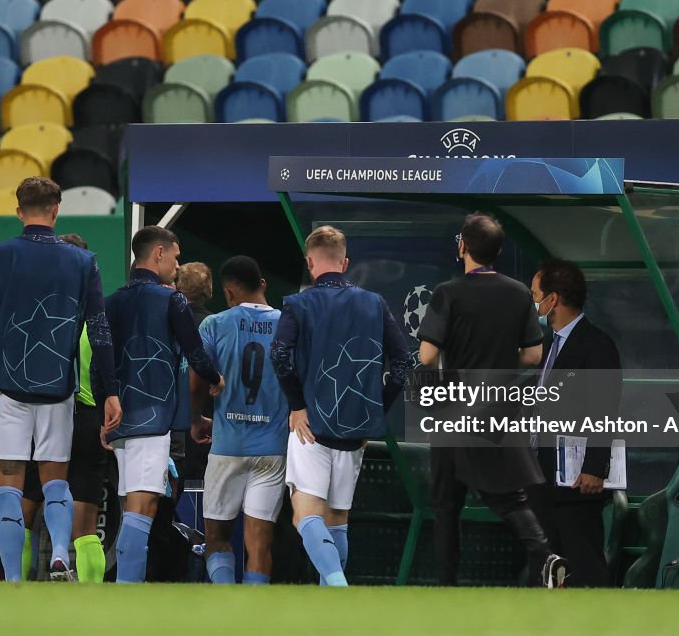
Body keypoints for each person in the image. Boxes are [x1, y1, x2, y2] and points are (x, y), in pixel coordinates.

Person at [0, 177, 122, 582]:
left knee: (9, 484)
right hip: (58, 390)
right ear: (56, 210)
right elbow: (101, 329)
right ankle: (58, 554)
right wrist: (110, 392)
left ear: (18, 211)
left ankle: (13, 578)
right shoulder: (84, 262)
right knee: (55, 479)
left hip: (9, 387)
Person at [417, 213, 568, 588]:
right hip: (498, 406)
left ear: (463, 247)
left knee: (447, 505)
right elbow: (533, 356)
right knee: (507, 497)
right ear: (498, 251)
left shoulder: (447, 293)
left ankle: (447, 586)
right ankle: (544, 553)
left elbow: (426, 356)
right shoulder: (519, 293)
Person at [270, 226, 410, 587]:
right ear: (345, 262)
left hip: (310, 426)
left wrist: (297, 404)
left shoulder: (297, 303)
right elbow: (402, 363)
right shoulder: (374, 303)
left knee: (304, 516)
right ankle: (331, 603)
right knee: (336, 518)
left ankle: (337, 588)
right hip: (356, 428)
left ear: (309, 262)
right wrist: (375, 410)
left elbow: (280, 353)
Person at [101, 226, 224, 584]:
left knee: (131, 507)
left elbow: (99, 362)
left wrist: (104, 416)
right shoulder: (172, 300)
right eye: (176, 254)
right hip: (153, 419)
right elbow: (195, 351)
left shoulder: (112, 301)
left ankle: (127, 590)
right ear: (158, 254)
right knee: (144, 508)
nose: (178, 263)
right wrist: (215, 378)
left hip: (120, 421)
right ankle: (129, 594)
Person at [190, 256, 288, 585]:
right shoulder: (287, 323)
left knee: (216, 537)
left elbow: (196, 376)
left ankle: (226, 607)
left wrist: (196, 419)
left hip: (228, 444)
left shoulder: (215, 324)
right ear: (263, 285)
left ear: (229, 294)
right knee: (259, 545)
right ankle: (254, 619)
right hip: (272, 448)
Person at [18, 234, 109, 583]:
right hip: (87, 419)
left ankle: (15, 587)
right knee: (85, 524)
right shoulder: (99, 318)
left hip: (45, 415)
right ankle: (92, 602)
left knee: (25, 510)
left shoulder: (40, 316)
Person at [526, 258, 622, 588]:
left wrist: (595, 467)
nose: (532, 300)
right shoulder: (549, 345)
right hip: (543, 476)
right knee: (543, 568)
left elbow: (604, 409)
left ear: (553, 299)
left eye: (535, 293)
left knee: (584, 566)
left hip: (577, 483)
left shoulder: (596, 346)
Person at [176, 262, 214, 484]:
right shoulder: (218, 325)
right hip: (208, 418)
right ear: (209, 289)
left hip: (175, 419)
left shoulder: (166, 321)